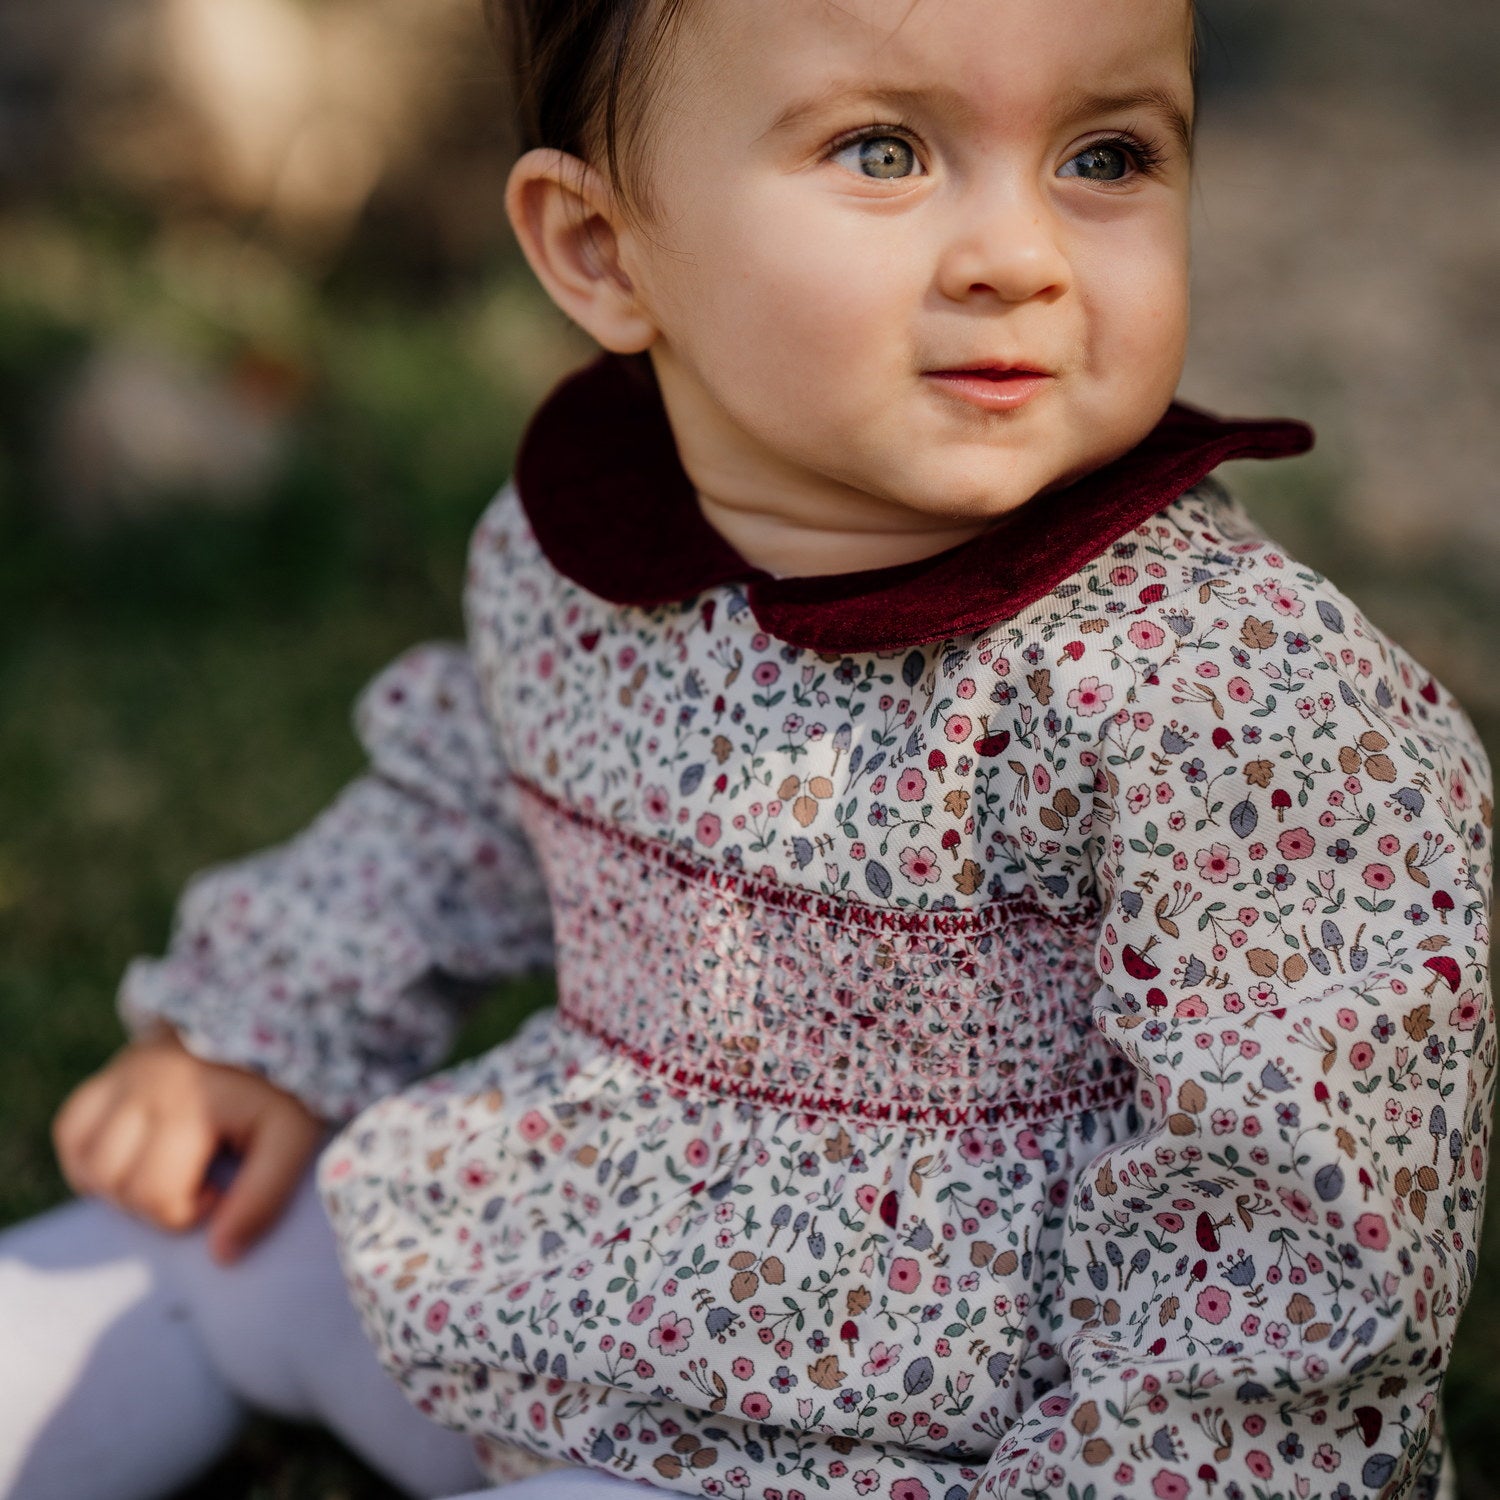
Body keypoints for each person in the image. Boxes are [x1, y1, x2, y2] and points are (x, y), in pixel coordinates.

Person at [1, 0, 1492, 1496]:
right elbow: (465, 805)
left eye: (1104, 156)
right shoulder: (585, 554)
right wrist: (264, 1023)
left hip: (908, 1430)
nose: (1019, 255)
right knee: (200, 1244)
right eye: (885, 150)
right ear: (601, 254)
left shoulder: (1223, 696)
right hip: (559, 1251)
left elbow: (1291, 1233)